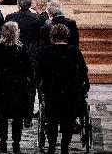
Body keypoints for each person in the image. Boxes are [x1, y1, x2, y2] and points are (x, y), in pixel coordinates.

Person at [36, 24, 89, 154]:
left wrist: (41, 89)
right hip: (71, 91)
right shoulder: (75, 51)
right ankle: (65, 146)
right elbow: (84, 71)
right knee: (68, 120)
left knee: (52, 120)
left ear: (52, 36)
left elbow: (38, 73)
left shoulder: (45, 52)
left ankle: (52, 146)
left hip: (52, 91)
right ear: (67, 36)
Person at [0, 21, 35, 153]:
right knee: (18, 117)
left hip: (1, 86)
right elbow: (29, 69)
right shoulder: (21, 48)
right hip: (18, 87)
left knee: (2, 116)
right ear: (16, 33)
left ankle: (3, 141)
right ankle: (16, 143)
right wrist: (31, 83)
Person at [5, 0, 41, 126]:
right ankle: (28, 115)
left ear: (18, 4)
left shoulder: (10, 17)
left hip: (14, 55)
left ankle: (14, 112)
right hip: (32, 57)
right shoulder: (37, 19)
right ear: (30, 4)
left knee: (14, 85)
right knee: (30, 86)